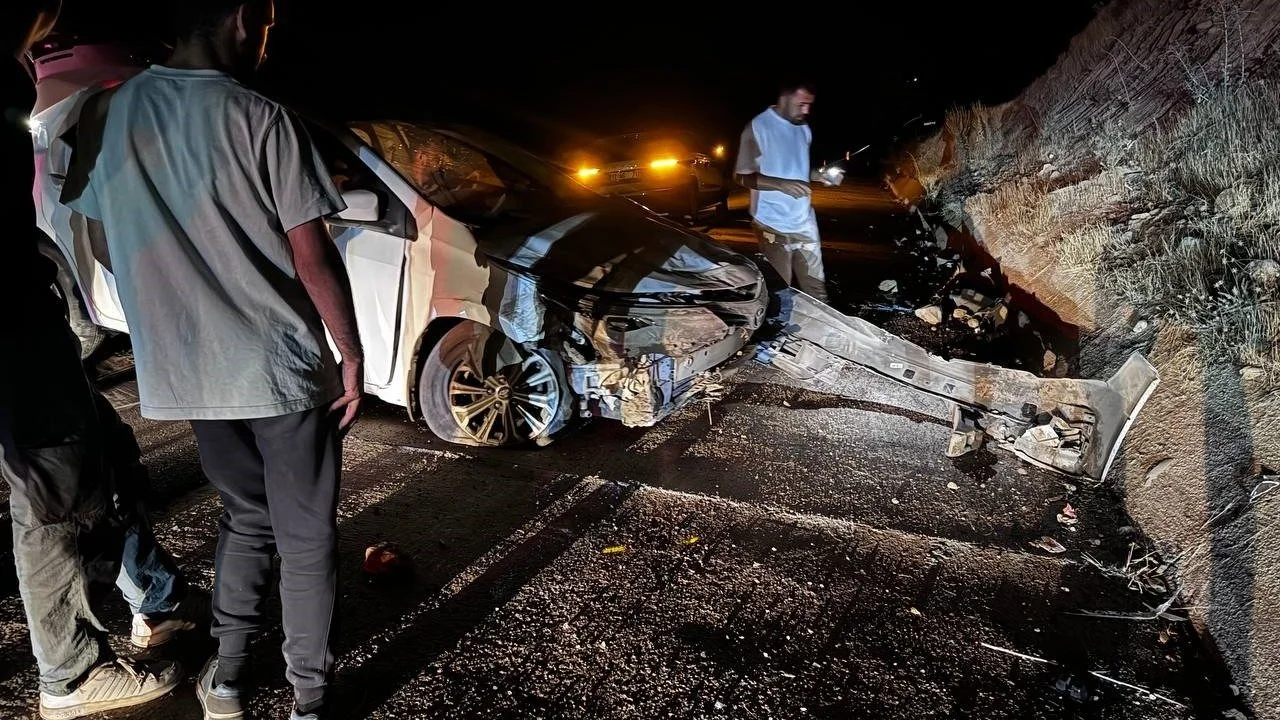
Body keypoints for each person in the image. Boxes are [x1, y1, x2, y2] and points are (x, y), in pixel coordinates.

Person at [60, 1, 365, 718]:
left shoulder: (106, 112)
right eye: (267, 27)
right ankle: (309, 698)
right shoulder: (261, 117)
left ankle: (226, 679)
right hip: (278, 365)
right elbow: (312, 254)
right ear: (241, 18)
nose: (265, 43)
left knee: (245, 514)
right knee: (304, 535)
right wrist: (350, 353)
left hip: (187, 367)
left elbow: (100, 242)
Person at [2, 2, 186, 718]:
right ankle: (70, 673)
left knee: (103, 452)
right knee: (52, 494)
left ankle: (155, 599)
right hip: (14, 329)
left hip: (27, 319)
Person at [733, 79, 844, 302]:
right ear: (785, 98)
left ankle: (822, 324)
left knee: (817, 291)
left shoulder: (803, 129)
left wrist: (818, 175)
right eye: (802, 104)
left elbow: (796, 170)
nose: (807, 111)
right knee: (781, 293)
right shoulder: (759, 127)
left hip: (804, 222)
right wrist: (781, 185)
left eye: (809, 105)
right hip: (772, 224)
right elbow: (741, 176)